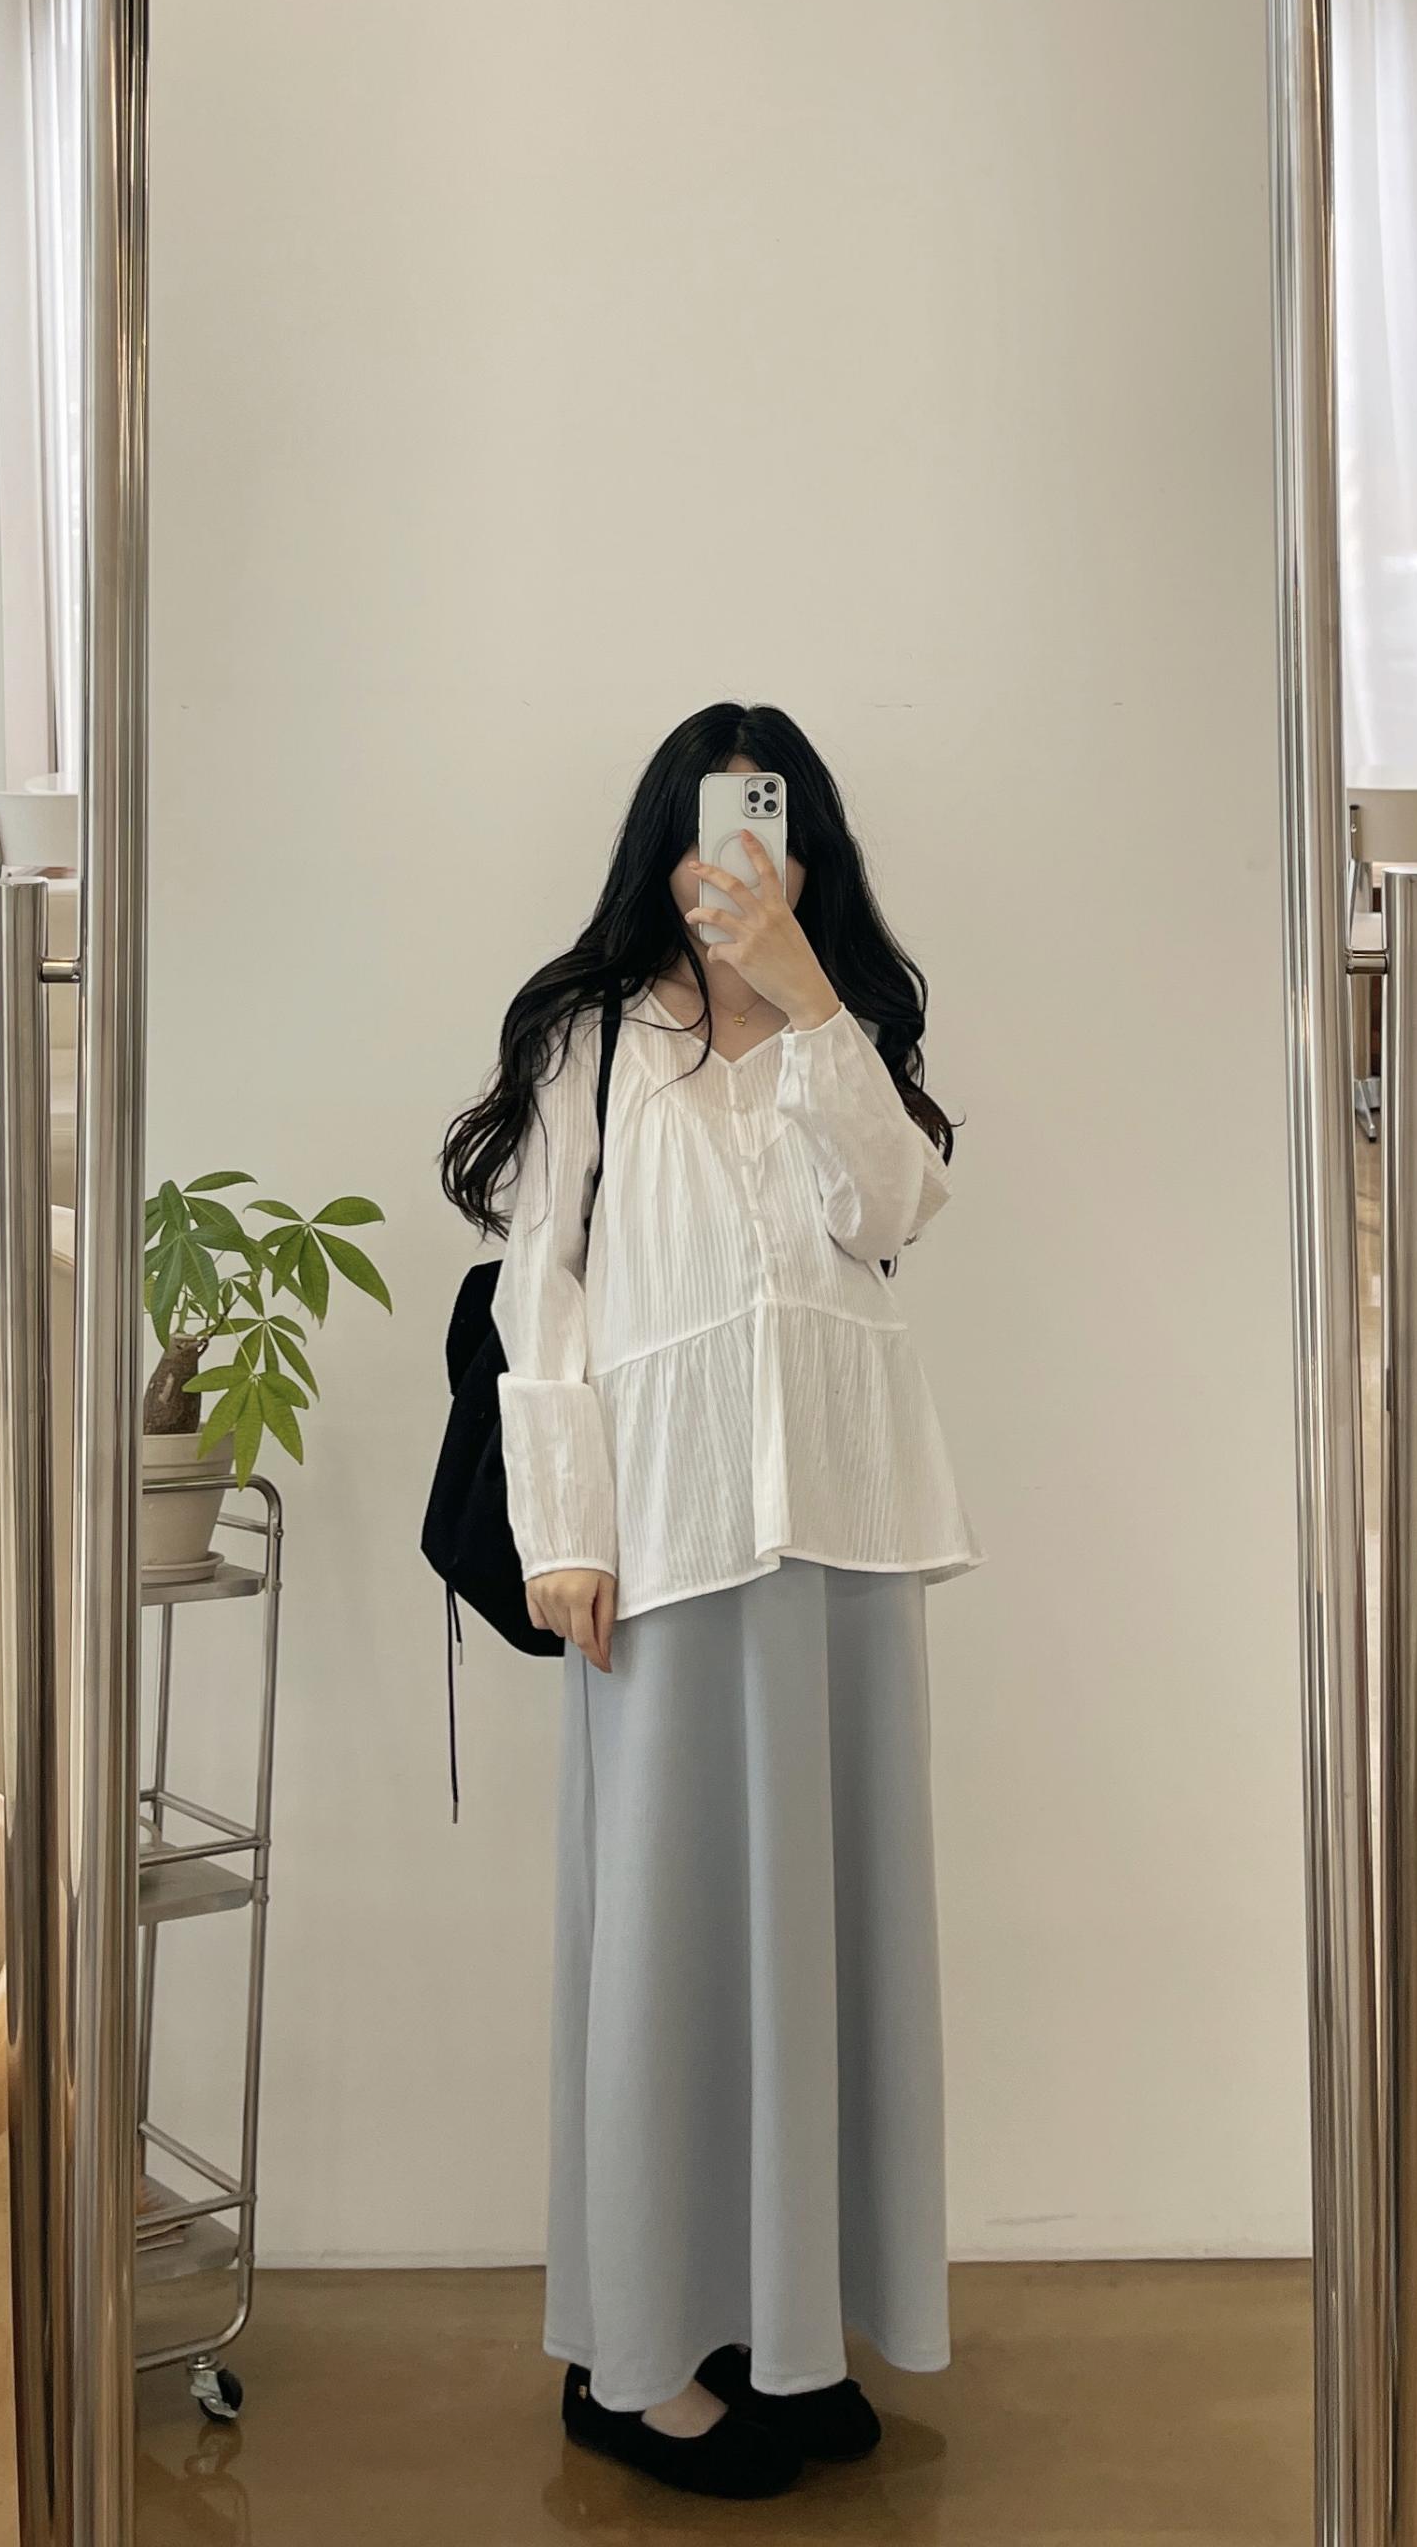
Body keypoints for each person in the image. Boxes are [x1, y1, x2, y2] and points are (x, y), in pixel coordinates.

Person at [439, 701, 979, 2500]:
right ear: (658, 850)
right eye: (706, 827)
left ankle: (787, 2329)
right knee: (667, 1951)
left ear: (807, 851)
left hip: (841, 1537)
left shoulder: (850, 1032)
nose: (732, 860)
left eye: (765, 825)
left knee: (830, 1945)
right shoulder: (592, 1038)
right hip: (658, 1549)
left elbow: (891, 1213)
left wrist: (811, 1001)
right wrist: (562, 1531)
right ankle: (637, 2360)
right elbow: (542, 1293)